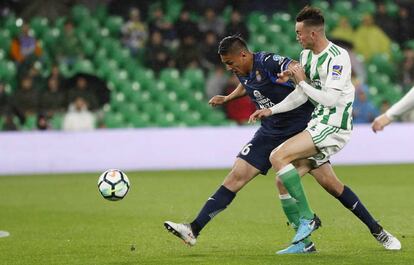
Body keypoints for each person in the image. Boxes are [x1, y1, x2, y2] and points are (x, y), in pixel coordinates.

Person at [164, 34, 398, 254]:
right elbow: (247, 84)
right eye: (226, 64)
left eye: (230, 62)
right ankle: (193, 229)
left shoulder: (267, 61)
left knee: (332, 185)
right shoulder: (241, 68)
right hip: (270, 130)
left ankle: (378, 231)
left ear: (243, 55)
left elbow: (294, 65)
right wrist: (228, 98)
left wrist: (291, 72)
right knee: (236, 176)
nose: (229, 68)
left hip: (300, 127)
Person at [249, 6, 401, 251]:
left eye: (299, 32)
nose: (297, 36)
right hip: (318, 123)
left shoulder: (338, 57)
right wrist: (272, 110)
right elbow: (301, 95)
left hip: (334, 126)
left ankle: (308, 218)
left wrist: (300, 81)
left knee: (277, 156)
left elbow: (329, 100)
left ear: (313, 34)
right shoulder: (306, 57)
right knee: (311, 184)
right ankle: (375, 232)